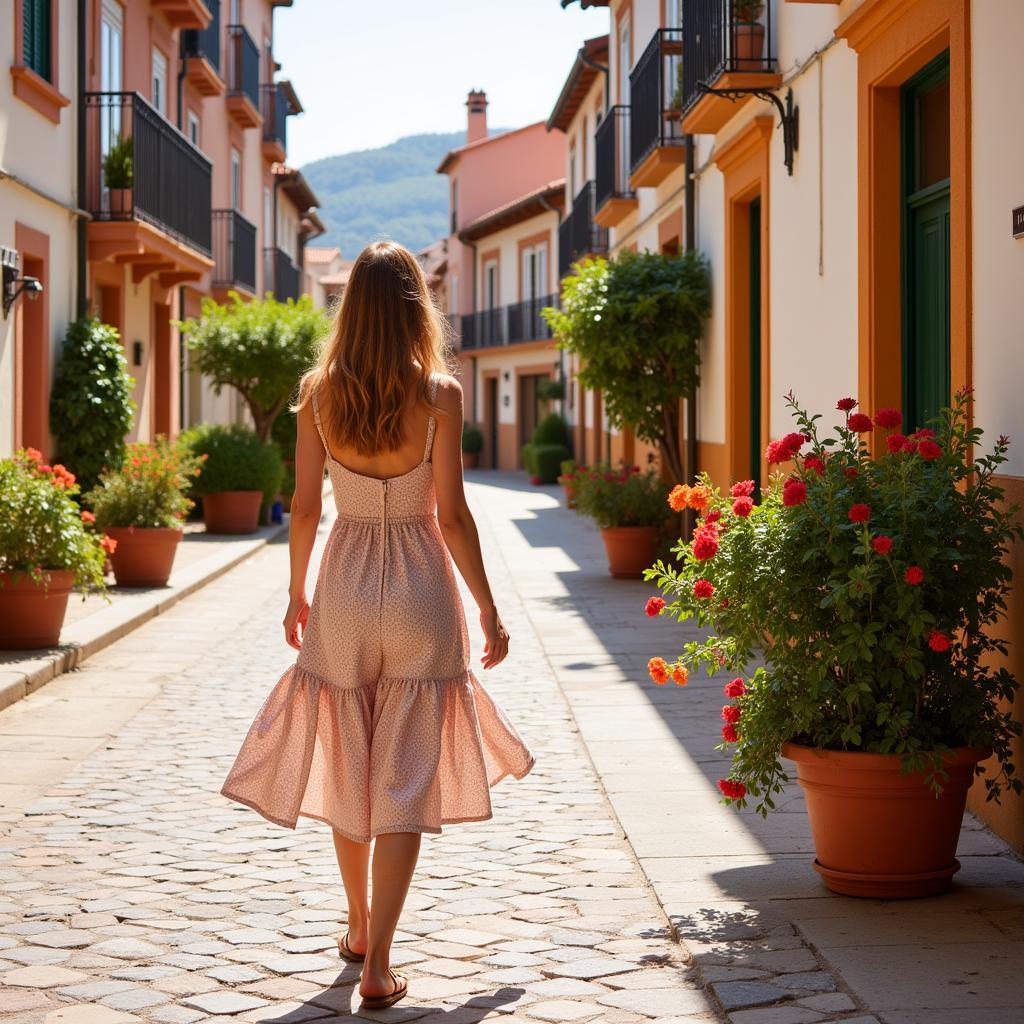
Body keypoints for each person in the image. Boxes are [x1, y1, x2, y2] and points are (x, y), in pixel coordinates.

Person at [221, 241, 535, 1010]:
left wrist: (296, 593)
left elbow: (301, 508)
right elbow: (454, 515)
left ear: (350, 310)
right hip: (423, 583)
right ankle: (378, 964)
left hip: (346, 585)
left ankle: (359, 925)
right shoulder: (441, 394)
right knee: (404, 776)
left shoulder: (318, 393)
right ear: (414, 309)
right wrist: (489, 606)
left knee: (348, 760)